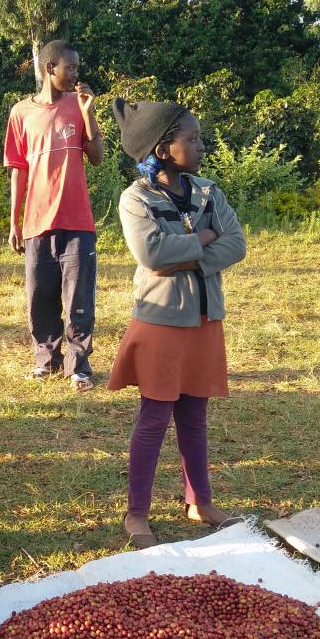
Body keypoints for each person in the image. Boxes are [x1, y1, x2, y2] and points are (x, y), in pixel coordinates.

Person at [107, 99, 246, 548]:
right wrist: (202, 240)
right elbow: (150, 255)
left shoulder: (209, 193)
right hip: (161, 324)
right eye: (193, 138)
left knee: (194, 416)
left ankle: (199, 501)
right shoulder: (136, 199)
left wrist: (185, 253)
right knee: (154, 418)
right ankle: (137, 513)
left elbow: (236, 244)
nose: (201, 145)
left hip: (205, 320)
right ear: (164, 148)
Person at [4, 39, 104, 390]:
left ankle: (78, 366)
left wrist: (89, 111)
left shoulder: (79, 105)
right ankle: (46, 360)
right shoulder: (20, 113)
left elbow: (96, 156)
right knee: (40, 296)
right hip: (36, 223)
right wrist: (13, 221)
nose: (76, 74)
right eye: (71, 67)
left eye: (77, 67)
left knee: (79, 298)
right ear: (50, 68)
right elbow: (18, 169)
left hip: (77, 220)